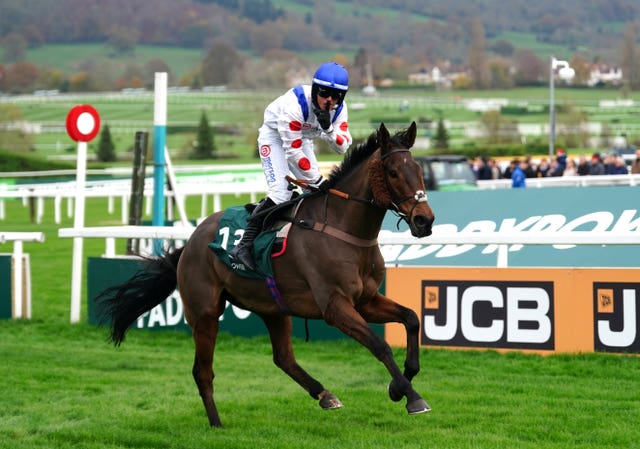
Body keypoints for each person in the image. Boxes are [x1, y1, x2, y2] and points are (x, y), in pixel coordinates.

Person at [229, 61, 352, 271]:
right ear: (315, 90)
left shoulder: (338, 110)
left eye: (336, 96)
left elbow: (343, 147)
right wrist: (318, 179)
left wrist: (328, 128)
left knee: (313, 191)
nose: (329, 101)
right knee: (281, 192)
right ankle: (243, 246)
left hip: (302, 139)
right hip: (275, 137)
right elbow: (293, 153)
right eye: (324, 93)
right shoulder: (294, 107)